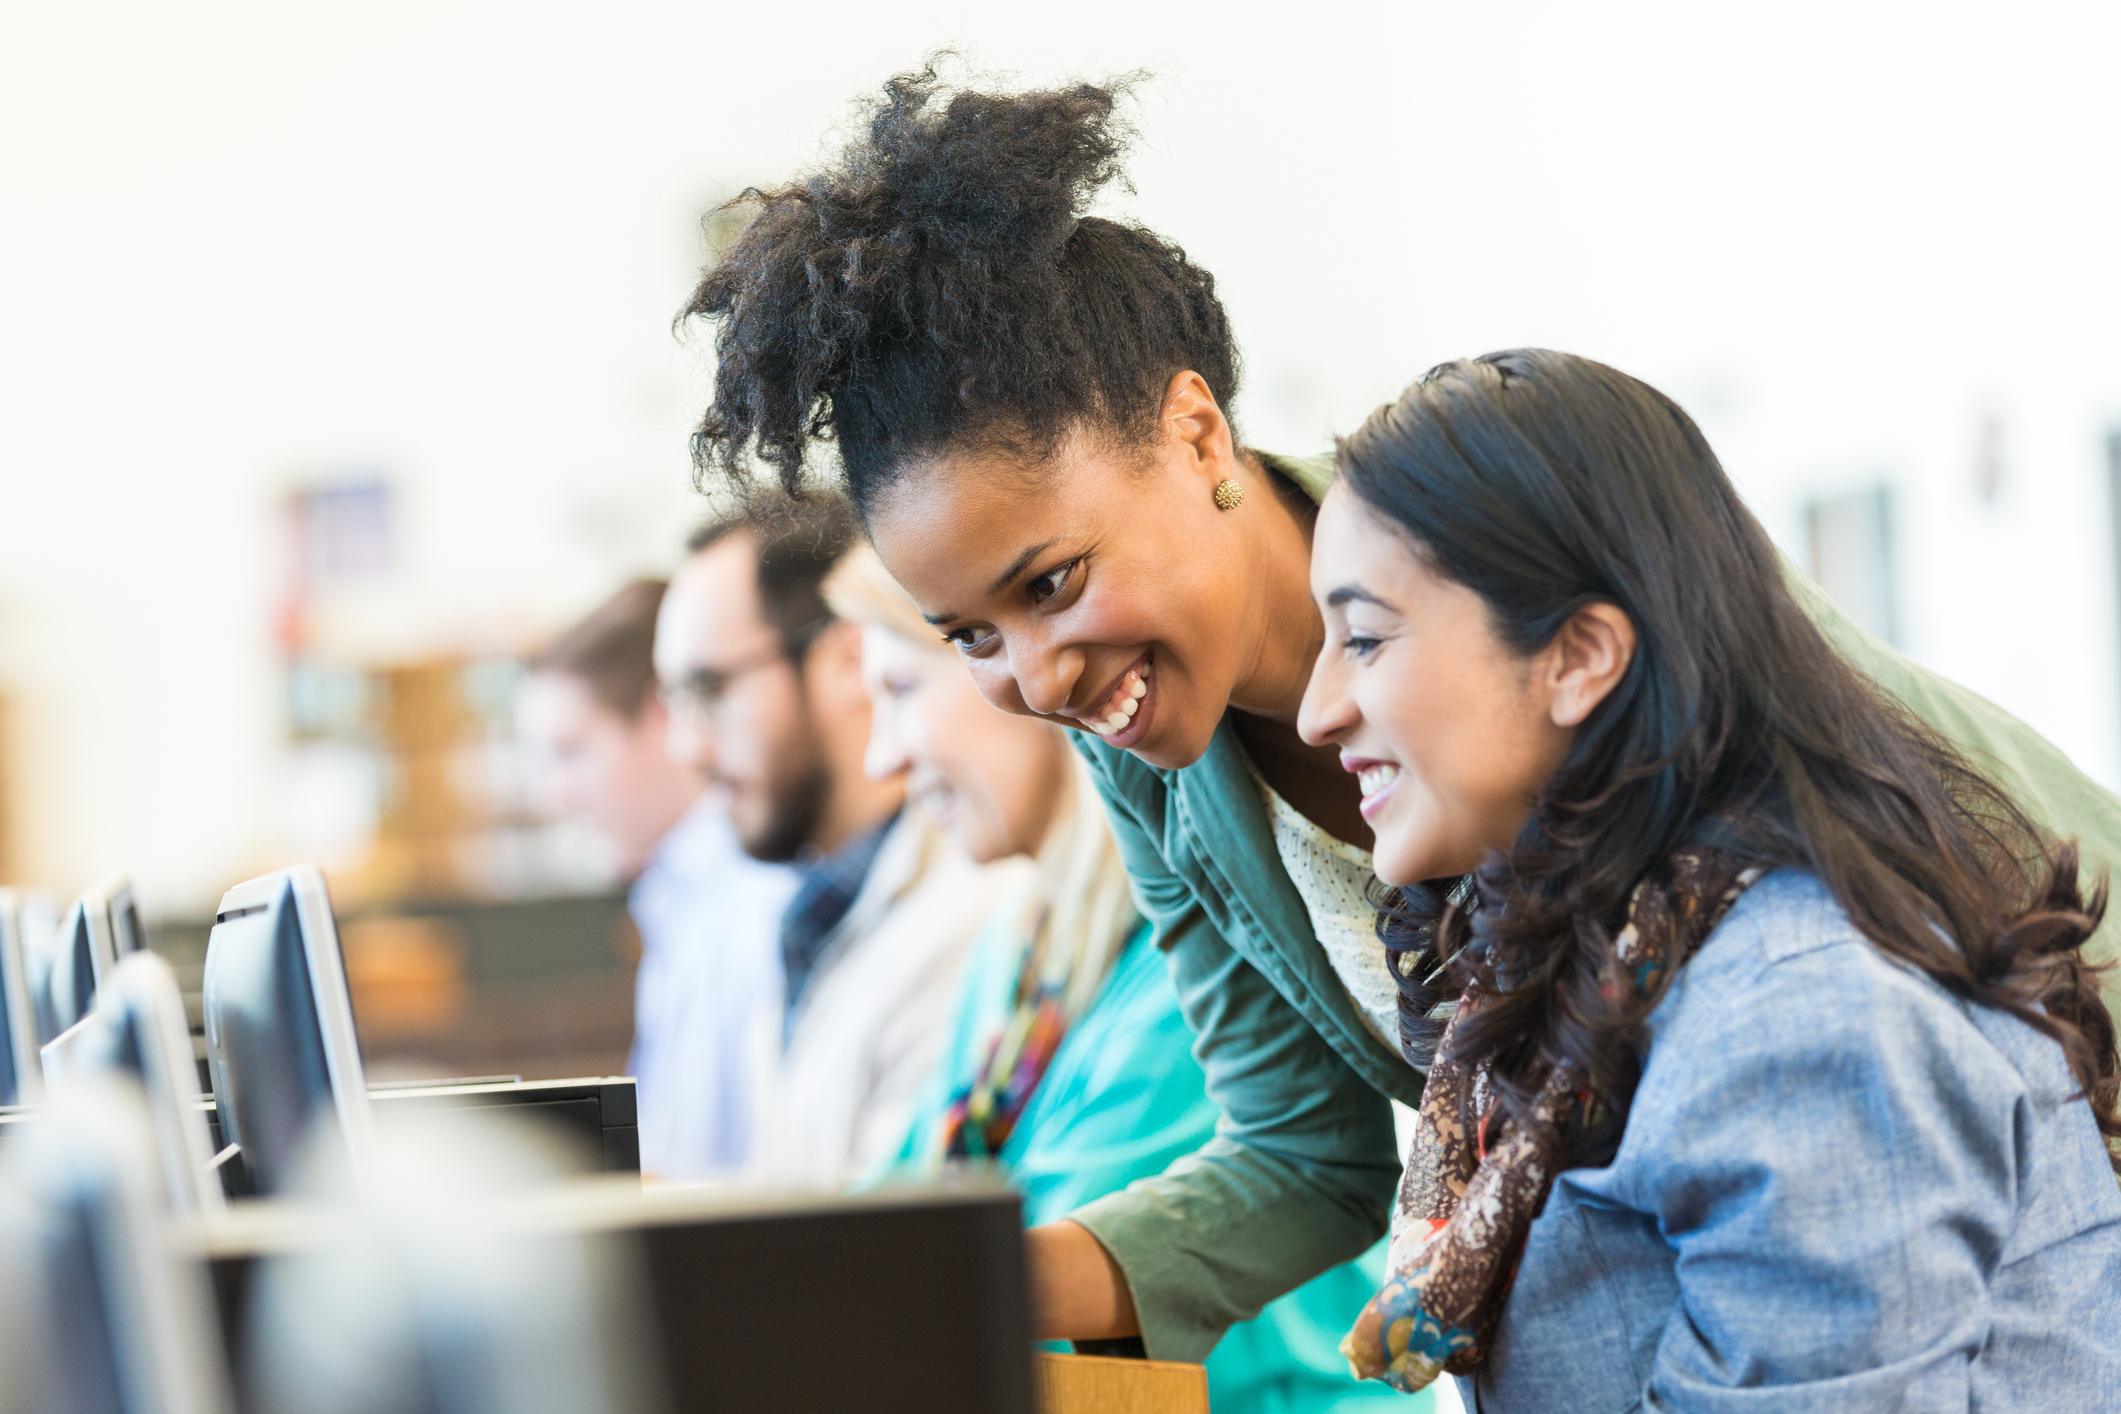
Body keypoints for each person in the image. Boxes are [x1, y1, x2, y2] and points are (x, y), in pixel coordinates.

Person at [677, 66, 2121, 1365]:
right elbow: (1303, 1155)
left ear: (1195, 434)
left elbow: (1875, 1000)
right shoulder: (1156, 753)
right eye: (968, 636)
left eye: (1052, 583)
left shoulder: (1524, 562)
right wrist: (916, 1278)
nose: (1037, 679)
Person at [1313, 349, 2121, 1408]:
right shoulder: (1619, 960)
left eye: (1366, 637)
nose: (1317, 709)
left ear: (1579, 654)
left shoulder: (1798, 1013)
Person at [827, 545, 1417, 1412]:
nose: (879, 758)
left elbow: (1028, 1287)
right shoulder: (1021, 954)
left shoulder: (1188, 968)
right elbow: (896, 1214)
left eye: (902, 691)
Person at [653, 496, 1020, 1186]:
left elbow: (883, 1244)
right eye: (675, 701)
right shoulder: (813, 911)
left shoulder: (971, 915)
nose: (687, 746)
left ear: (845, 660)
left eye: (708, 690)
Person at [517, 580, 794, 1178]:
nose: (551, 797)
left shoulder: (752, 905)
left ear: (660, 715)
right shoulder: (680, 902)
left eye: (570, 751)